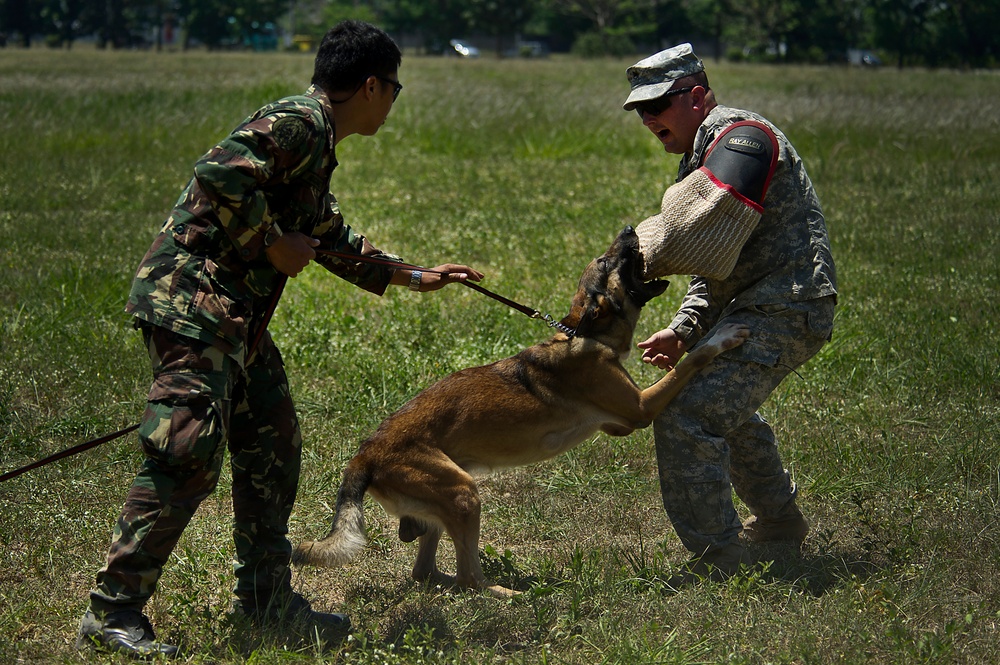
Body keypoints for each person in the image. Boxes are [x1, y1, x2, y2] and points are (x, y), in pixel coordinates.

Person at [77, 20, 483, 659]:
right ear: (372, 86)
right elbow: (216, 171)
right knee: (186, 451)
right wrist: (269, 240)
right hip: (189, 305)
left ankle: (266, 597)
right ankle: (114, 609)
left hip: (233, 321)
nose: (395, 103)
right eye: (396, 90)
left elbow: (326, 234)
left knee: (273, 443)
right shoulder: (299, 122)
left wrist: (412, 275)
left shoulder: (315, 147)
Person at [622, 44, 837, 586]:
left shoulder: (744, 137)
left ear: (698, 95)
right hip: (756, 304)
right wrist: (685, 328)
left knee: (686, 413)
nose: (649, 119)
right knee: (727, 409)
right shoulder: (700, 156)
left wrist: (627, 260)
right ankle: (780, 523)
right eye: (640, 111)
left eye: (659, 105)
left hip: (788, 303)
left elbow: (695, 227)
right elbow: (710, 264)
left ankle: (720, 563)